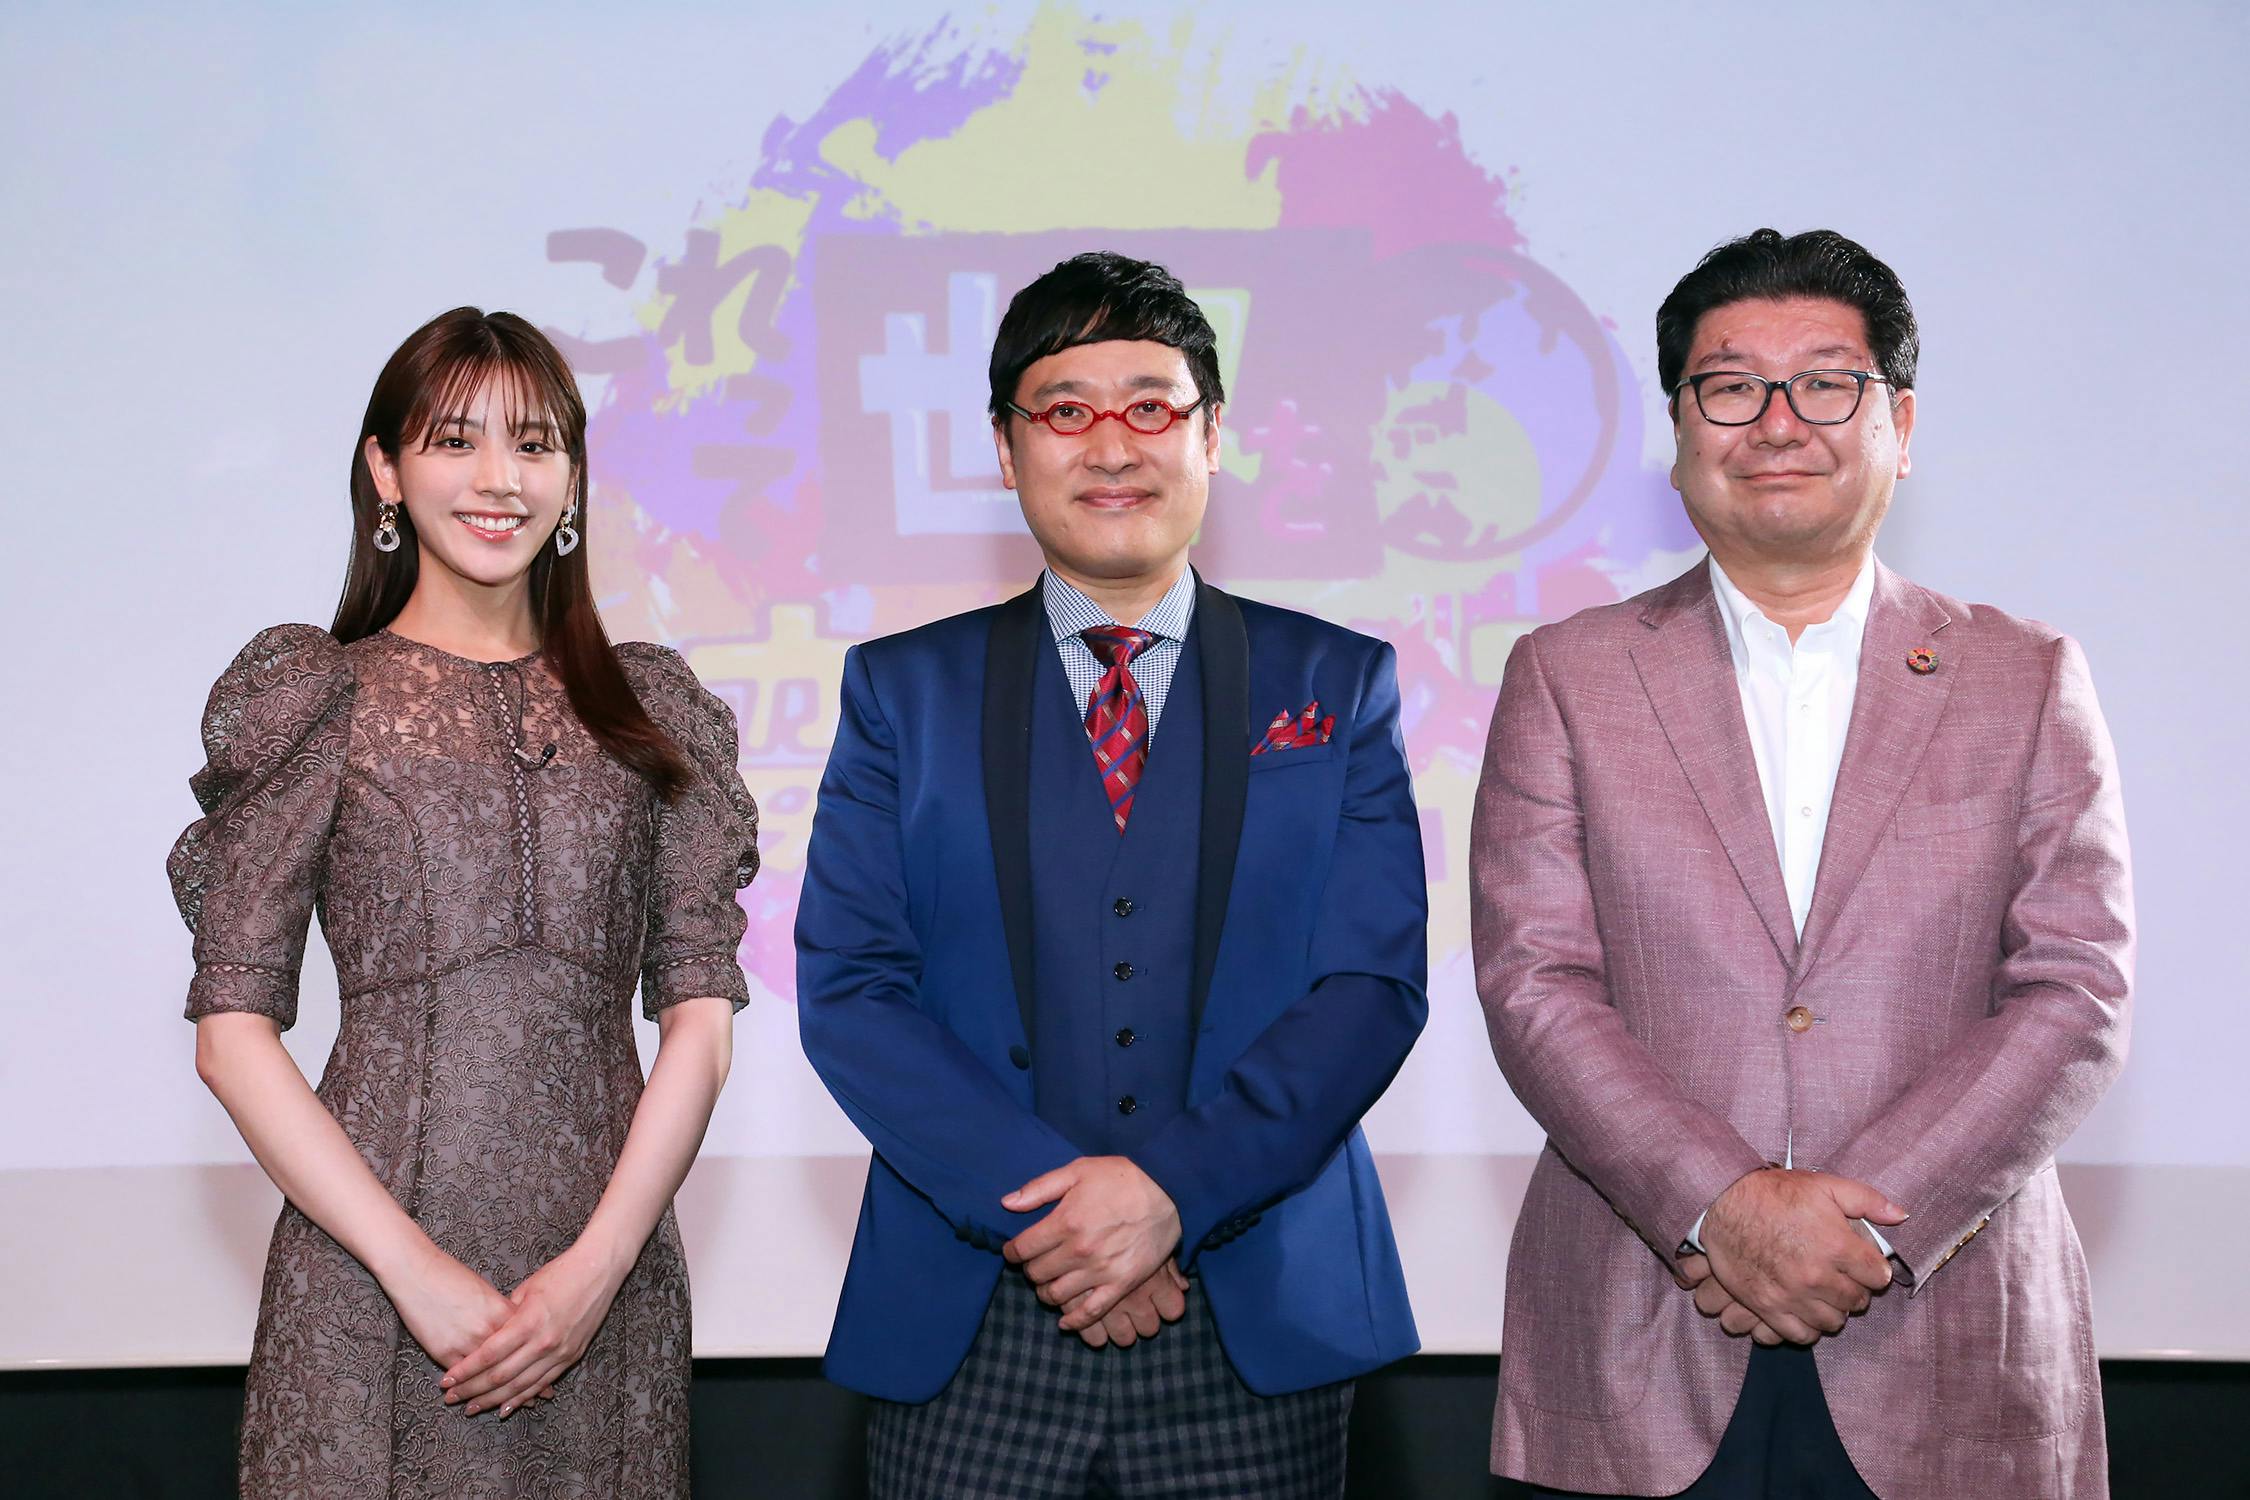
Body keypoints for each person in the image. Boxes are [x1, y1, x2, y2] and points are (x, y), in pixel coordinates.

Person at [1471, 229, 2133, 1498]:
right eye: (1730, 386)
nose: (1777, 422)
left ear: (1900, 423)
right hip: (1640, 1331)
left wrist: (1858, 1226)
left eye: (1826, 384)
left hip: (1949, 1334)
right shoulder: (1567, 675)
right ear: (1680, 428)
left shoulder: (2025, 675)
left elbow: (2077, 990)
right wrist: (1723, 1203)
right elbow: (1533, 983)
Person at [795, 251, 1428, 1497]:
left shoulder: (1336, 683)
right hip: (978, 1314)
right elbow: (852, 990)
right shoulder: (901, 691)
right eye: (1066, 410)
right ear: (1005, 446)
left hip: (1254, 1310)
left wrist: (1172, 1195)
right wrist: (1062, 1222)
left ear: (1211, 434)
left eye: (1150, 406)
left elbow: (1370, 986)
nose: (1112, 445)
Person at [171, 308, 759, 1497]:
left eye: (535, 444)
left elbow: (700, 1023)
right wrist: (413, 1271)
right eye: (455, 441)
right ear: (386, 470)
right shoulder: (319, 699)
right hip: (367, 1279)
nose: (500, 479)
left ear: (573, 478)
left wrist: (597, 1269)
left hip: (607, 1283)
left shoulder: (648, 711)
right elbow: (232, 1038)